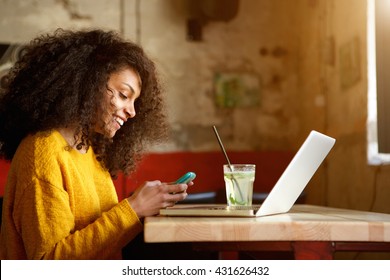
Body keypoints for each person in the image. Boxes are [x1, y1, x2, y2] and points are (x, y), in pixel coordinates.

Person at [0, 28, 191, 259]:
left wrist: (144, 207)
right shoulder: (42, 153)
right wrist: (133, 208)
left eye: (134, 101)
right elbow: (49, 261)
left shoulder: (88, 149)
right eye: (123, 95)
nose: (131, 111)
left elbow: (101, 237)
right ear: (88, 83)